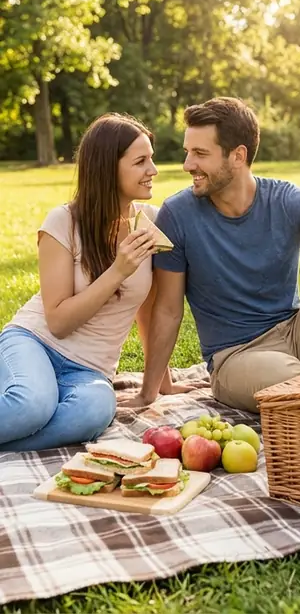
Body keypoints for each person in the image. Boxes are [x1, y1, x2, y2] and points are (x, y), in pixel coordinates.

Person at [135, 97, 300, 412]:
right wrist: (148, 393)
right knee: (298, 387)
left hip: (298, 337)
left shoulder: (285, 200)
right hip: (237, 359)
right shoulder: (177, 215)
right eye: (187, 152)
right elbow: (167, 311)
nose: (188, 164)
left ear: (238, 156)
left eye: (200, 153)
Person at [0, 114, 200, 451]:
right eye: (141, 161)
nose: (153, 170)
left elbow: (148, 312)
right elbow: (59, 322)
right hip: (35, 343)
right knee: (31, 406)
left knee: (94, 413)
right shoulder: (63, 221)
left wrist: (157, 387)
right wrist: (118, 271)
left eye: (151, 158)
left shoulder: (148, 223)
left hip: (89, 370)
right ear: (108, 168)